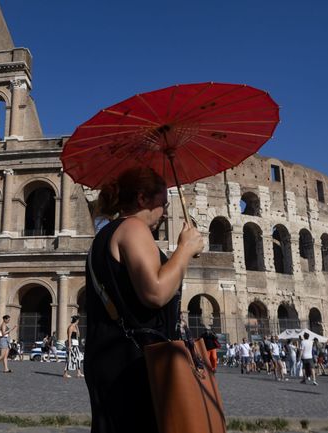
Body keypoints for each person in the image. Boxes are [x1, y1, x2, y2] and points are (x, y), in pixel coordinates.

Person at [84, 167, 204, 433]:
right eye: (162, 203)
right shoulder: (133, 229)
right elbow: (155, 293)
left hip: (110, 357)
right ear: (142, 199)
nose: (164, 212)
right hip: (135, 361)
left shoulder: (104, 236)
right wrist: (184, 249)